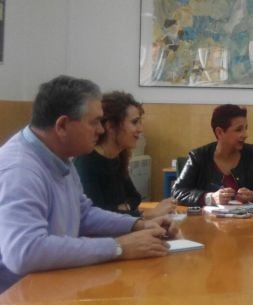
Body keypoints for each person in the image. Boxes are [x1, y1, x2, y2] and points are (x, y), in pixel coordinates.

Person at [0, 76, 177, 292]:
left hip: (51, 290)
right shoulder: (20, 169)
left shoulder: (60, 156)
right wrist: (119, 247)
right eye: (94, 122)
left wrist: (138, 225)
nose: (101, 130)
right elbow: (24, 252)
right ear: (62, 125)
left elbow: (83, 214)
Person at [74, 91, 175, 218]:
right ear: (110, 126)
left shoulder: (118, 157)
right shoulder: (86, 162)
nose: (140, 129)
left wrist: (122, 209)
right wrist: (147, 215)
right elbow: (97, 215)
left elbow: (135, 198)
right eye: (134, 122)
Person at [172, 104, 253, 206]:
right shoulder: (198, 156)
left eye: (245, 128)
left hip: (247, 220)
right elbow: (178, 191)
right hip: (207, 221)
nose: (245, 134)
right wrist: (210, 198)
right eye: (238, 129)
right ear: (220, 132)